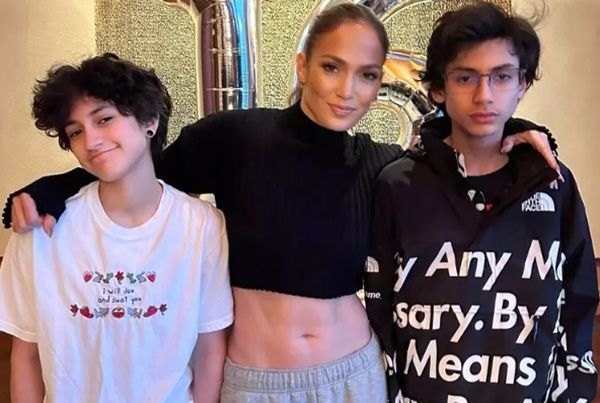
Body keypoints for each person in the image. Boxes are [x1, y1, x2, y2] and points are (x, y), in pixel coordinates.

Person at [2, 4, 559, 402]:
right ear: (302, 66)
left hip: (354, 375)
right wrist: (51, 187)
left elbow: (460, 154)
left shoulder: (384, 164)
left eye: (367, 75)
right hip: (254, 380)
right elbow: (137, 171)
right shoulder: (235, 138)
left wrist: (519, 131)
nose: (347, 90)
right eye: (332, 67)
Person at [365, 3, 598, 402]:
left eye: (502, 76)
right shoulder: (398, 184)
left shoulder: (552, 183)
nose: (484, 95)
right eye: (465, 77)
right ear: (439, 88)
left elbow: (578, 302)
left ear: (522, 84)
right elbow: (379, 307)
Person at [0, 54, 233, 402]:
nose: (91, 141)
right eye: (75, 132)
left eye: (104, 119)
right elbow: (26, 354)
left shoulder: (201, 225)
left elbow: (209, 347)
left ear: (149, 121)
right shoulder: (40, 228)